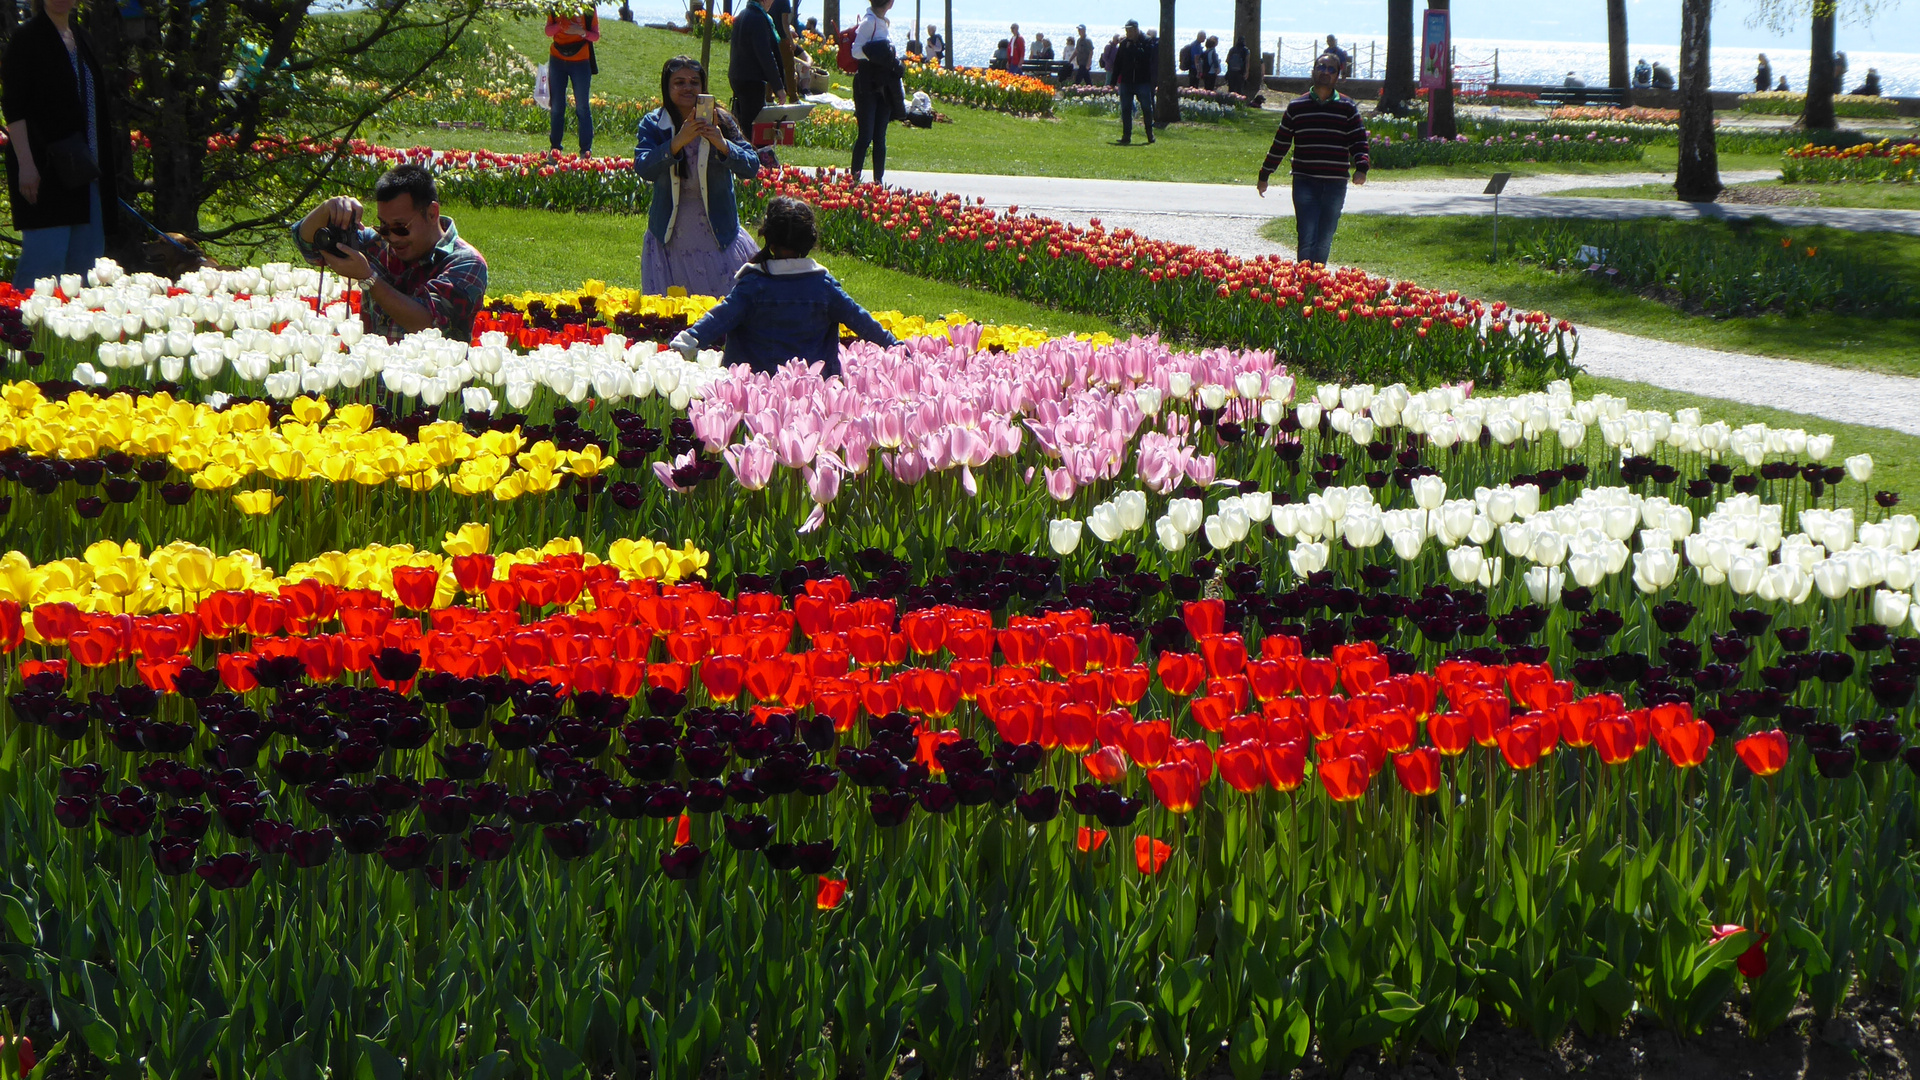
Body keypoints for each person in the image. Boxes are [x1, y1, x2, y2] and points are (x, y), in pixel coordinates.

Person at [670, 197, 897, 377]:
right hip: (811, 394)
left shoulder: (753, 284)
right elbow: (863, 322)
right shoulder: (823, 287)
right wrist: (897, 347)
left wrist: (686, 342)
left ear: (768, 238)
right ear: (810, 241)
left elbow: (719, 318)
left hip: (756, 389)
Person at [293, 164, 489, 341]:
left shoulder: (466, 262)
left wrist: (369, 278)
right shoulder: (377, 244)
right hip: (371, 379)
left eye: (401, 227)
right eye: (384, 226)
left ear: (432, 213)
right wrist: (328, 208)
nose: (392, 238)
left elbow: (428, 322)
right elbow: (307, 245)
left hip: (431, 379)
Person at [4, 0, 119, 288]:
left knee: (86, 269)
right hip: (45, 170)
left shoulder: (83, 38)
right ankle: (21, 331)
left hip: (86, 172)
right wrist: (27, 166)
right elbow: (14, 108)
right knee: (44, 267)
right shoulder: (26, 38)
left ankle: (69, 333)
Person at [633, 56, 762, 296]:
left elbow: (751, 166)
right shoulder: (654, 123)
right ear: (667, 87)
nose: (687, 88)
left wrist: (722, 144)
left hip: (718, 234)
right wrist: (676, 143)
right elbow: (643, 167)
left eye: (694, 82)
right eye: (679, 82)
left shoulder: (721, 120)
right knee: (674, 314)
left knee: (722, 309)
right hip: (669, 236)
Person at [1255, 53, 1368, 266]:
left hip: (1335, 182)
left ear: (1338, 76)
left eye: (1331, 69)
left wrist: (1361, 167)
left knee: (1324, 238)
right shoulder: (1297, 107)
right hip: (1305, 180)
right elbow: (1281, 143)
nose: (1325, 72)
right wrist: (1265, 174)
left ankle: (1317, 286)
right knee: (1306, 236)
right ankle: (1305, 284)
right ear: (1313, 71)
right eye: (1321, 67)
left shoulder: (1347, 107)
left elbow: (1359, 140)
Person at [851, 0, 905, 185]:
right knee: (866, 135)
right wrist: (878, 54)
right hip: (867, 84)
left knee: (880, 137)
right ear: (889, 3)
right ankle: (854, 179)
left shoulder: (883, 22)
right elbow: (856, 51)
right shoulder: (869, 22)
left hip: (884, 85)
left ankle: (878, 181)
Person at [545, 7, 600, 156]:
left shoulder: (588, 7)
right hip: (557, 58)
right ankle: (555, 148)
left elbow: (595, 36)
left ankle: (585, 150)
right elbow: (548, 31)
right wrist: (560, 26)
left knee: (582, 107)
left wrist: (580, 31)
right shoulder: (556, 5)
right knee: (557, 106)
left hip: (581, 61)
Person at [728, 0, 786, 132]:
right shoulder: (758, 18)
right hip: (751, 79)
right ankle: (752, 151)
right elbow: (765, 55)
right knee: (753, 125)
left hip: (737, 76)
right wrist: (778, 87)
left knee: (743, 121)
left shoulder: (743, 14)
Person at [1112, 20, 1154, 145]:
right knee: (1126, 108)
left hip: (1142, 81)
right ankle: (1126, 135)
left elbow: (1146, 57)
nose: (1128, 33)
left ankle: (1149, 133)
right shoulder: (1124, 44)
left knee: (1146, 107)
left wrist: (1133, 48)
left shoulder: (1147, 41)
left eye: (1130, 31)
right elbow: (1118, 63)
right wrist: (1113, 81)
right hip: (1126, 81)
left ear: (1136, 30)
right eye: (1126, 31)